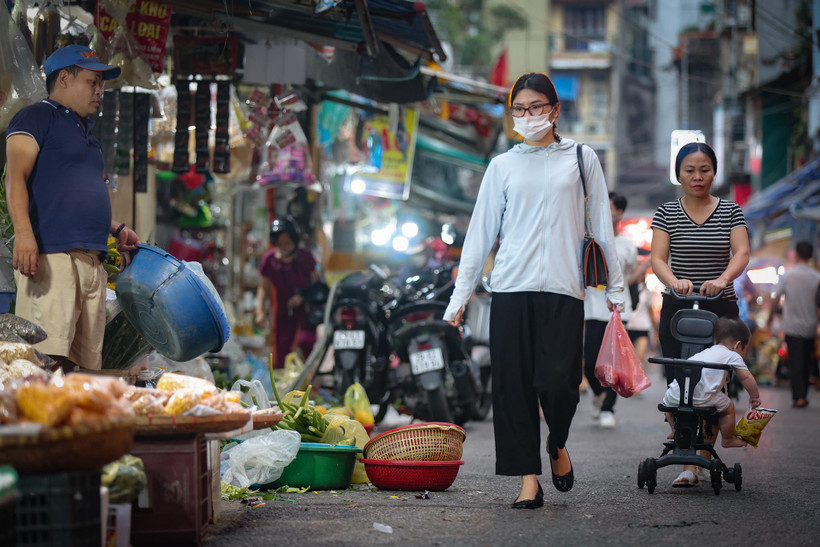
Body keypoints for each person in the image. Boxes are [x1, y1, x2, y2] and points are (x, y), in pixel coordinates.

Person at [444, 72, 625, 508]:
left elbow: (602, 225)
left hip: (565, 290)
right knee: (512, 387)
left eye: (537, 107)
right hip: (510, 289)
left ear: (555, 110)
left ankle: (557, 442)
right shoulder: (502, 166)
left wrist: (616, 287)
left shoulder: (582, 159)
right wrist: (460, 296)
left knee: (560, 383)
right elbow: (481, 234)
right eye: (519, 109)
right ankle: (528, 479)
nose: (528, 116)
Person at [4, 45, 139, 372]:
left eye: (101, 85)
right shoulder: (37, 116)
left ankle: (71, 423)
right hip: (53, 259)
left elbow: (72, 192)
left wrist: (116, 227)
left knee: (84, 369)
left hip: (92, 263)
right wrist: (24, 234)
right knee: (44, 361)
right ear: (64, 78)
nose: (99, 91)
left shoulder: (88, 138)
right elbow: (14, 178)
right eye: (92, 82)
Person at [651, 142, 750, 385]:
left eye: (705, 170)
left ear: (714, 173)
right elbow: (657, 259)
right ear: (678, 174)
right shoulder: (666, 213)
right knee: (676, 383)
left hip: (721, 306)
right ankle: (675, 421)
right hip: (678, 305)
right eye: (689, 170)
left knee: (717, 384)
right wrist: (675, 282)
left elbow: (742, 253)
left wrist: (722, 280)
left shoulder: (731, 210)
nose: (697, 177)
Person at [661, 317, 761, 487]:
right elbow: (746, 377)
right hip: (703, 397)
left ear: (715, 340)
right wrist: (754, 396)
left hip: (676, 394)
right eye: (745, 350)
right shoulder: (732, 354)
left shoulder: (702, 353)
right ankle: (728, 438)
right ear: (737, 345)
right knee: (728, 406)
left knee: (669, 403)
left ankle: (675, 430)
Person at [583, 192, 638, 428]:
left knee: (614, 364)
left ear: (620, 213)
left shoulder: (627, 246)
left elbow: (630, 276)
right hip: (591, 310)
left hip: (617, 311)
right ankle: (599, 393)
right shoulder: (589, 240)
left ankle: (608, 408)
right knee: (589, 363)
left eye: (611, 209)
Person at [255, 216, 319, 369]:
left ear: (294, 240)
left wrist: (302, 296)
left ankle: (308, 384)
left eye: (287, 243)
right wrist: (259, 311)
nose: (284, 247)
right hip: (282, 313)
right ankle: (282, 388)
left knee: (306, 344)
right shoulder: (269, 259)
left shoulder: (306, 258)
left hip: (306, 313)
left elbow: (317, 284)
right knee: (280, 354)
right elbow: (263, 287)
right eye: (280, 243)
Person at [767, 241, 820, 408]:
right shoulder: (816, 277)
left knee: (796, 361)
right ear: (811, 255)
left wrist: (769, 316)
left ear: (796, 254)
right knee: (806, 360)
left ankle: (799, 396)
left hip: (792, 325)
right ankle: (802, 394)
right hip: (811, 325)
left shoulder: (788, 275)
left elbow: (776, 298)